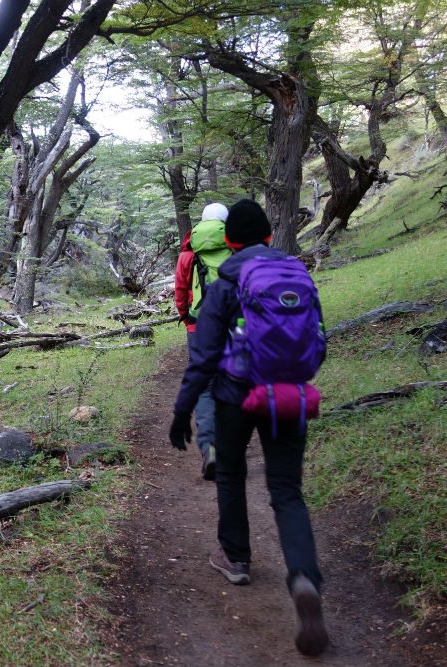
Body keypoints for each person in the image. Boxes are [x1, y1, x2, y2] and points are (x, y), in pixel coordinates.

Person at [168, 198, 329, 657]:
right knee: (287, 490)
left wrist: (183, 412)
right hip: (287, 395)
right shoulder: (295, 270)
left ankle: (235, 558)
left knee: (233, 473)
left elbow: (203, 356)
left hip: (234, 395)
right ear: (269, 237)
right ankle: (302, 578)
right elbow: (319, 337)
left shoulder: (226, 280)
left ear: (230, 240)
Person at [172, 202, 230, 480]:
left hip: (198, 328)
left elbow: (181, 292)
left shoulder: (188, 254)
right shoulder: (236, 247)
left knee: (205, 387)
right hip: (234, 328)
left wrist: (187, 319)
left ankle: (210, 447)